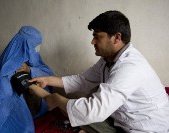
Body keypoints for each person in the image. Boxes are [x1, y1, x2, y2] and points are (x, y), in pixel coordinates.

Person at [28, 10, 169, 133]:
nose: (92, 42)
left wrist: (57, 100)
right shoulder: (107, 60)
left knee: (78, 110)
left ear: (117, 38)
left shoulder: (130, 67)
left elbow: (96, 109)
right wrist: (47, 80)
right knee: (74, 111)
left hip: (148, 128)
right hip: (121, 120)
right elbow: (83, 80)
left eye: (97, 36)